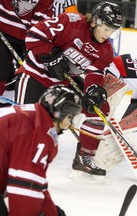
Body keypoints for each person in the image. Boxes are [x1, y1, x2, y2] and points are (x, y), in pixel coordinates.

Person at [14, 1, 123, 177]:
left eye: (112, 30)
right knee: (27, 123)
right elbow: (33, 34)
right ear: (95, 21)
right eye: (106, 28)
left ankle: (85, 156)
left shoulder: (105, 50)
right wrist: (49, 55)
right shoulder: (72, 22)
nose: (108, 34)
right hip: (34, 75)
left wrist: (94, 89)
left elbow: (94, 73)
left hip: (61, 86)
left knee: (99, 106)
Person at [0, 84, 82, 216]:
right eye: (71, 117)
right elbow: (24, 188)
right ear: (58, 113)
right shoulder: (38, 132)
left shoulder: (31, 116)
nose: (70, 123)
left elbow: (35, 183)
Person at [0, 0, 54, 106]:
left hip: (23, 35)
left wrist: (34, 40)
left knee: (22, 72)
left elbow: (40, 22)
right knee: (0, 67)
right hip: (0, 25)